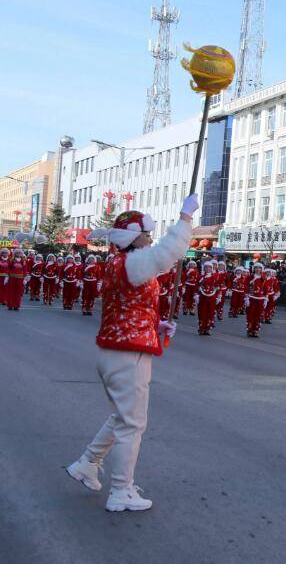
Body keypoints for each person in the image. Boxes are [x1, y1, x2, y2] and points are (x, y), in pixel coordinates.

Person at [65, 195, 197, 512]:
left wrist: (156, 325)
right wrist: (184, 218)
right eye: (146, 232)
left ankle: (88, 463)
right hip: (127, 354)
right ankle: (121, 490)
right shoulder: (132, 262)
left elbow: (130, 306)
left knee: (122, 417)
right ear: (131, 237)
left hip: (115, 350)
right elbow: (169, 253)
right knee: (132, 425)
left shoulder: (120, 263)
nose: (151, 237)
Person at [245, 262, 268, 338]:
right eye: (256, 268)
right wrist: (246, 298)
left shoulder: (264, 278)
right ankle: (250, 330)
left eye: (259, 268)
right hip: (251, 298)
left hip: (261, 299)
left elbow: (266, 289)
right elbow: (247, 288)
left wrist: (265, 299)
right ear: (253, 269)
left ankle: (256, 330)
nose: (258, 269)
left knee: (258, 316)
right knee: (250, 315)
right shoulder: (250, 277)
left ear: (262, 269)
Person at [196, 261, 218, 335]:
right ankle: (201, 328)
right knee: (202, 313)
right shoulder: (200, 277)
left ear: (211, 268)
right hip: (202, 297)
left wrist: (219, 296)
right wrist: (196, 295)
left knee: (210, 313)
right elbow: (196, 286)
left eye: (209, 267)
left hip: (212, 297)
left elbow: (217, 287)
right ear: (204, 268)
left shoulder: (214, 277)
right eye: (206, 267)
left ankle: (207, 329)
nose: (208, 268)